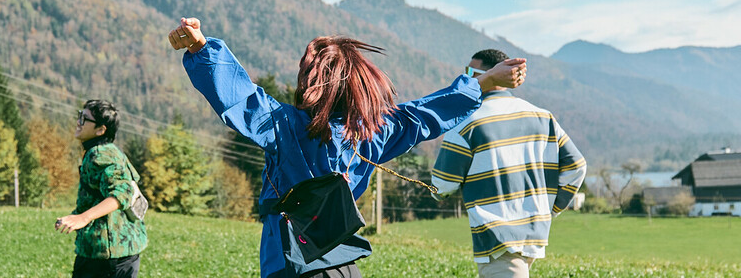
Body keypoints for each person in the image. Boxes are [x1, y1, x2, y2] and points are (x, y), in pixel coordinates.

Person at [168, 18, 527, 278]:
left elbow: (243, 99)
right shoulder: (375, 132)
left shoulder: (285, 126)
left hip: (291, 263)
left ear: (310, 81)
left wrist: (202, 47)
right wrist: (486, 80)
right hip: (342, 264)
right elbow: (427, 113)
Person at [431, 49, 587, 278]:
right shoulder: (543, 117)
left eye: (469, 72)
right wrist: (549, 209)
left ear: (492, 74)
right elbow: (577, 166)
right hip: (534, 235)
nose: (467, 79)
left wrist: (434, 191)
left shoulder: (466, 123)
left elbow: (443, 184)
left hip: (497, 238)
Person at [55, 100, 147, 278]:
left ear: (100, 130)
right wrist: (76, 215)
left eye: (84, 118)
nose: (78, 122)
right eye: (79, 115)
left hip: (106, 255)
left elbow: (123, 192)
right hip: (122, 250)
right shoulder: (110, 150)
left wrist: (83, 218)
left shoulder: (99, 153)